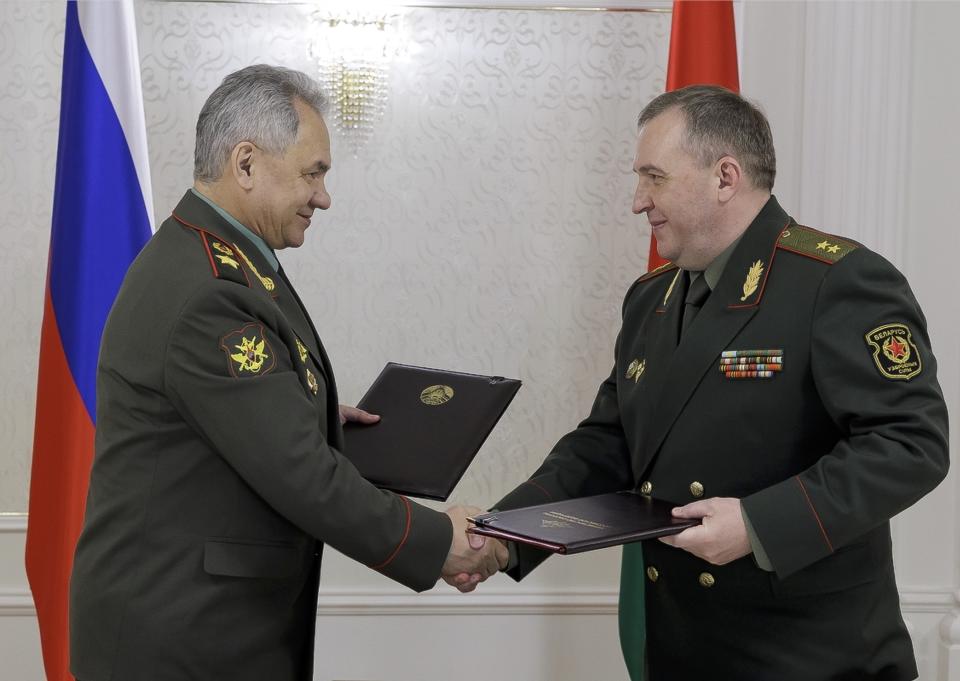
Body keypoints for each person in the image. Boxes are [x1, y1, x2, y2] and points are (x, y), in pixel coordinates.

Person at [488, 85, 949, 679]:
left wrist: (760, 525)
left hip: (808, 656)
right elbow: (609, 442)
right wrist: (503, 532)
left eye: (654, 177)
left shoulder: (837, 281)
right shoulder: (650, 298)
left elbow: (910, 445)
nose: (637, 201)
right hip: (684, 645)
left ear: (724, 177)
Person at [69, 64, 506, 681]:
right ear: (245, 164)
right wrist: (437, 541)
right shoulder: (209, 291)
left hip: (204, 626)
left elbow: (245, 422)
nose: (323, 196)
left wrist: (314, 413)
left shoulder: (221, 261)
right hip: (180, 640)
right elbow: (298, 472)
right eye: (313, 173)